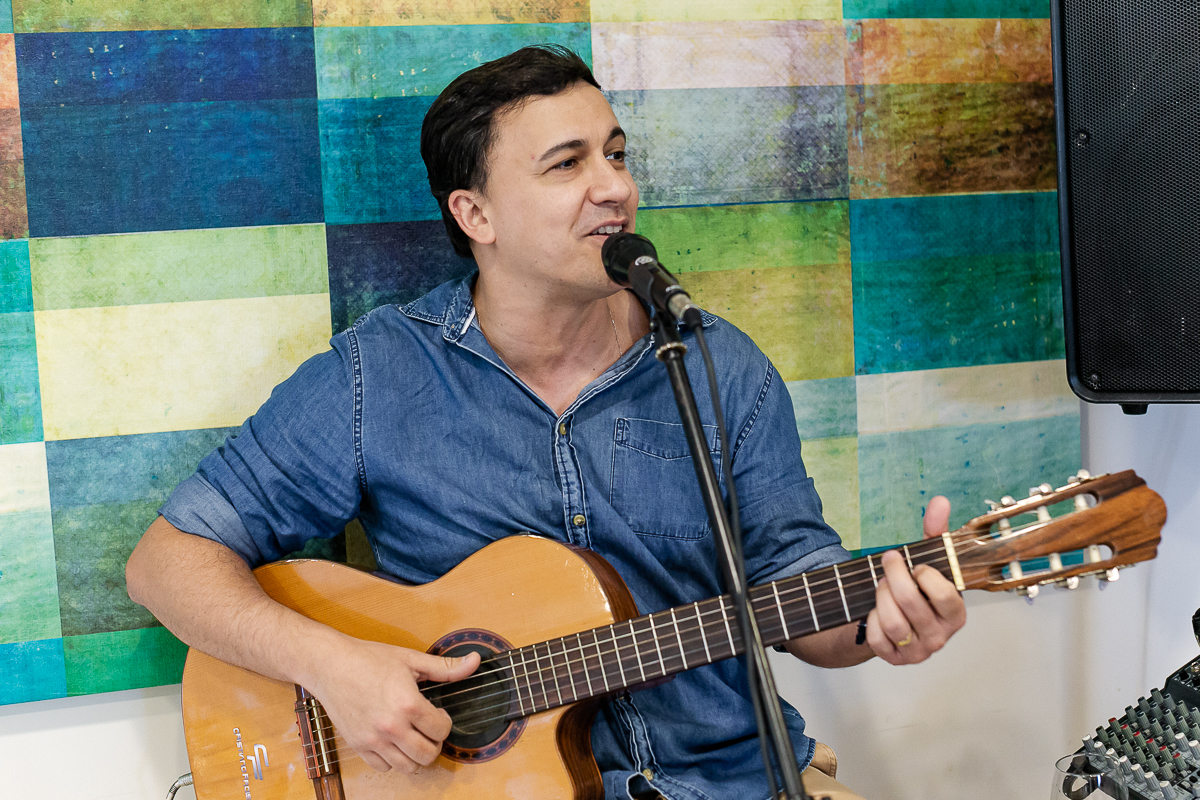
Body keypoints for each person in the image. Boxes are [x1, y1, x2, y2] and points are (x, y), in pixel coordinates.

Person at [126, 44, 966, 800]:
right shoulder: (374, 377)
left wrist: (876, 623)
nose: (615, 187)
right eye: (566, 164)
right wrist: (335, 666)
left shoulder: (718, 364)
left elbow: (795, 580)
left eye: (616, 154)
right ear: (475, 216)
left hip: (734, 782)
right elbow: (167, 564)